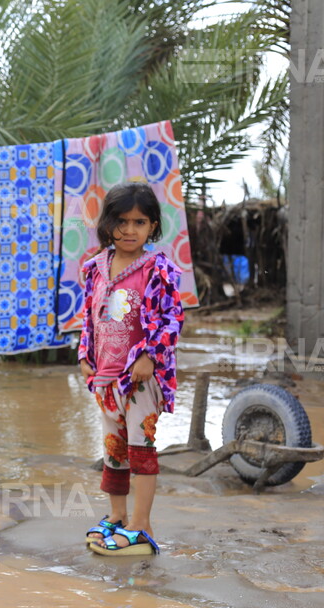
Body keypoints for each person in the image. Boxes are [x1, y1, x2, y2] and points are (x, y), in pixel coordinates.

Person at [77, 182, 185, 556]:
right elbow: (89, 316)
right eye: (121, 221)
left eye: (139, 222)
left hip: (140, 378)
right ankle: (118, 516)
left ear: (153, 226)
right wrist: (85, 355)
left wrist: (149, 357)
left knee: (141, 450)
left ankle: (142, 525)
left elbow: (172, 318)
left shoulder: (159, 269)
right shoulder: (96, 268)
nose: (128, 230)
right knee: (114, 450)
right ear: (107, 223)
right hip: (104, 376)